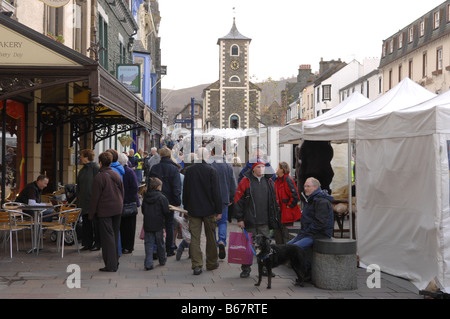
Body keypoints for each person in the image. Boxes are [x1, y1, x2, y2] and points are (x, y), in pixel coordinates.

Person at [234, 159, 281, 278]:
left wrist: (275, 217)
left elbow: (274, 201)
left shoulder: (269, 182)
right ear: (253, 168)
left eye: (263, 167)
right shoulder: (245, 181)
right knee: (247, 246)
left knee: (266, 245)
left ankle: (266, 268)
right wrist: (240, 219)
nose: (261, 169)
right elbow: (238, 201)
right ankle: (246, 269)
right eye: (258, 167)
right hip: (249, 220)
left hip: (265, 221)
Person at [183, 147, 222, 275]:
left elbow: (186, 191)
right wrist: (219, 210)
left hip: (193, 209)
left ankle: (197, 265)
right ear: (207, 156)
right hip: (209, 209)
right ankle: (211, 263)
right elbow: (216, 192)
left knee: (195, 238)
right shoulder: (212, 170)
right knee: (211, 237)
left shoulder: (189, 171)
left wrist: (186, 208)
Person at [88, 151, 124, 272]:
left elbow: (95, 197)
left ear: (100, 162)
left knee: (107, 237)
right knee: (114, 235)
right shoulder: (116, 174)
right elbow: (122, 192)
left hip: (105, 210)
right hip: (117, 208)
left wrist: (91, 213)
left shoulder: (99, 177)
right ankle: (115, 262)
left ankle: (111, 265)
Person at [288, 177, 334, 264]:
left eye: (308, 186)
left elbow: (320, 223)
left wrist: (306, 232)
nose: (305, 188)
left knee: (293, 249)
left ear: (316, 187)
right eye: (305, 186)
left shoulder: (322, 201)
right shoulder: (312, 198)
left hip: (319, 235)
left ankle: (305, 272)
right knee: (286, 247)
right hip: (308, 233)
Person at [148, 147, 181, 257]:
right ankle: (169, 248)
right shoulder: (174, 169)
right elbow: (176, 187)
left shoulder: (155, 168)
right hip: (169, 201)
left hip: (156, 200)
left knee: (158, 224)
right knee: (169, 224)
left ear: (161, 155)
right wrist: (177, 201)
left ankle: (156, 249)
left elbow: (150, 185)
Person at [208, 147, 236, 260]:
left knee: (212, 223)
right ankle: (222, 241)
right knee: (223, 222)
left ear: (212, 152)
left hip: (211, 199)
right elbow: (233, 183)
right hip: (224, 198)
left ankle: (214, 245)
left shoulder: (209, 164)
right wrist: (232, 197)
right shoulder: (228, 165)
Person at [141, 177, 170, 270]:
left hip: (148, 224)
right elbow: (166, 211)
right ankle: (162, 260)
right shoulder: (162, 197)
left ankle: (148, 263)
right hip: (159, 224)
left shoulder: (146, 197)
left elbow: (143, 210)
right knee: (160, 243)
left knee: (148, 244)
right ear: (158, 187)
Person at [76, 149, 100, 251]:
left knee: (95, 224)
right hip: (84, 202)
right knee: (86, 223)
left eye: (81, 156)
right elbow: (79, 186)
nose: (80, 158)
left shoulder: (95, 168)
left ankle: (97, 243)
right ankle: (87, 243)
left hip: (93, 201)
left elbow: (98, 183)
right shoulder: (82, 170)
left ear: (86, 157)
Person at [274, 162, 302, 244]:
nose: (276, 169)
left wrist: (288, 206)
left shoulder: (287, 180)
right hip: (279, 211)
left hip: (286, 212)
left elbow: (295, 196)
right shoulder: (277, 180)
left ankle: (286, 252)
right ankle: (279, 251)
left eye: (278, 168)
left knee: (285, 234)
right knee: (278, 233)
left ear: (282, 170)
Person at [118, 152, 140, 254]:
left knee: (128, 227)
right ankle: (125, 246)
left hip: (129, 204)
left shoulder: (128, 172)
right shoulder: (127, 171)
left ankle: (128, 247)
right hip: (126, 202)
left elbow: (135, 188)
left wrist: (127, 199)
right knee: (125, 226)